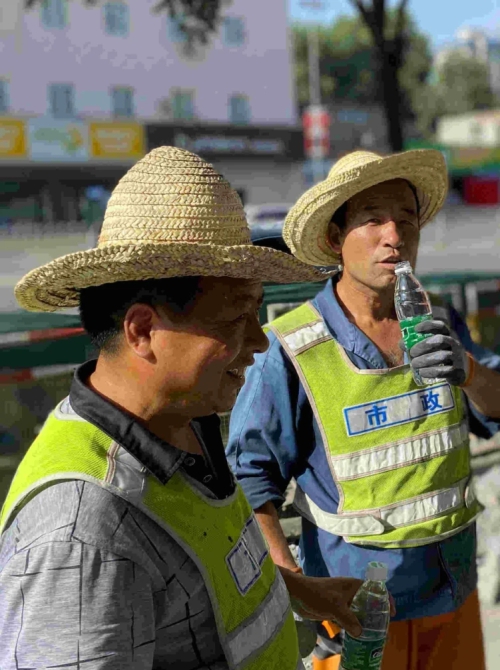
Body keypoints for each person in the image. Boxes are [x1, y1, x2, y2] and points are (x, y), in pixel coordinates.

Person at [0, 146, 368, 670]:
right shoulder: (81, 536)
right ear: (143, 330)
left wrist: (297, 591)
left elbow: (197, 582)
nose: (259, 341)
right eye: (235, 318)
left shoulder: (184, 420)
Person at [226, 149, 500, 670]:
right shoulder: (290, 350)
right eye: (373, 220)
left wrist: (468, 370)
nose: (394, 236)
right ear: (335, 239)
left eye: (406, 220)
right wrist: (300, 596)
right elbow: (249, 485)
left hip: (453, 597)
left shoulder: (441, 324)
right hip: (355, 619)